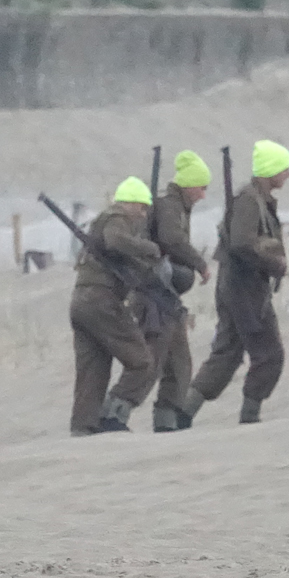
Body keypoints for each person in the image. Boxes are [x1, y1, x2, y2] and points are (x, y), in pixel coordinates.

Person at [181, 139, 289, 426]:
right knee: (269, 355)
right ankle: (249, 417)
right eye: (283, 169)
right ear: (270, 171)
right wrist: (274, 260)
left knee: (227, 354)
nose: (288, 175)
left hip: (239, 285)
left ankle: (183, 413)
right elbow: (243, 242)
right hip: (245, 288)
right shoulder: (248, 201)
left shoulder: (255, 200)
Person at [104, 151, 211, 433]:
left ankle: (166, 422)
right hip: (153, 296)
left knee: (179, 364)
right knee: (150, 360)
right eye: (201, 188)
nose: (203, 195)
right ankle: (114, 414)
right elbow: (171, 240)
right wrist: (199, 264)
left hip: (165, 297)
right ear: (188, 185)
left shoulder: (175, 207)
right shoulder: (170, 207)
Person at [70, 177, 162, 436]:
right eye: (142, 208)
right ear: (131, 204)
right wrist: (149, 248)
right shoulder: (118, 216)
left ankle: (83, 427)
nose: (143, 215)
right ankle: (111, 416)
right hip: (102, 300)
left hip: (81, 301)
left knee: (93, 369)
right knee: (142, 362)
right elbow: (115, 240)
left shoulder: (103, 219)